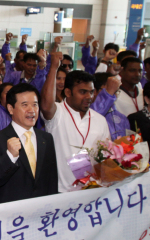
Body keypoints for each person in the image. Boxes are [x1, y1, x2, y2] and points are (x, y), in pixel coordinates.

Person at [41, 52, 110, 192]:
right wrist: (54, 67)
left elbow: (106, 155)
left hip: (92, 189)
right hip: (61, 191)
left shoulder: (100, 120)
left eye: (91, 92)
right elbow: (46, 105)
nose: (88, 96)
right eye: (82, 92)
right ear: (67, 92)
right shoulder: (58, 112)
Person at [0, 83, 58, 204]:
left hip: (42, 212)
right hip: (12, 215)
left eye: (35, 105)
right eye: (25, 105)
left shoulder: (46, 138)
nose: (31, 110)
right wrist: (10, 157)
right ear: (10, 109)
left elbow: (52, 180)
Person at [90, 73, 128, 139]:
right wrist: (108, 93)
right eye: (107, 91)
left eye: (116, 91)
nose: (113, 95)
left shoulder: (122, 117)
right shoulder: (86, 111)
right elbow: (93, 118)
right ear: (94, 91)